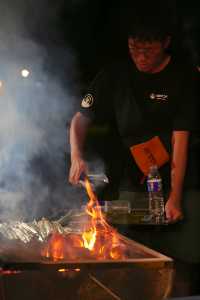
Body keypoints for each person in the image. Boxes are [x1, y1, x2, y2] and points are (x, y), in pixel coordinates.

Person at [69, 16, 200, 296]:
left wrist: (175, 196)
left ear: (166, 43)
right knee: (131, 255)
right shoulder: (114, 75)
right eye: (134, 48)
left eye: (148, 50)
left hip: (183, 177)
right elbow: (81, 118)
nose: (140, 56)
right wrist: (76, 156)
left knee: (181, 261)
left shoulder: (185, 77)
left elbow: (181, 138)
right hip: (135, 177)